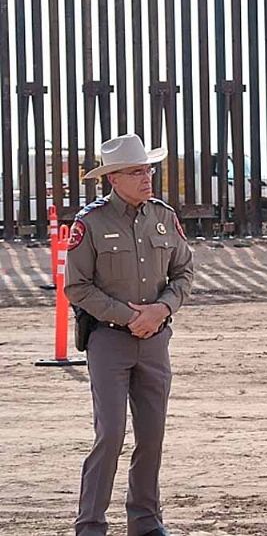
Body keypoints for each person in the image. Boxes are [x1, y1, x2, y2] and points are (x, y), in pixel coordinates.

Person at [64, 133, 193, 536]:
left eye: (148, 169)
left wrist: (160, 309)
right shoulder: (90, 223)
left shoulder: (163, 216)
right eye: (136, 171)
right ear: (113, 179)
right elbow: (77, 287)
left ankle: (145, 521)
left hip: (154, 340)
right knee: (111, 433)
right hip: (108, 341)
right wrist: (126, 316)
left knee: (152, 434)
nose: (146, 177)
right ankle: (90, 523)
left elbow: (184, 272)